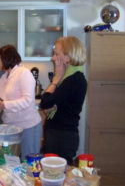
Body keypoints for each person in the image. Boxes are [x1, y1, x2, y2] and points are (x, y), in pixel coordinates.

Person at [39, 36, 87, 165]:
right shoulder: (67, 78)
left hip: (62, 138)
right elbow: (49, 104)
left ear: (68, 57)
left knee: (57, 177)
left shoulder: (74, 80)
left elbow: (45, 102)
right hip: (57, 134)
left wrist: (55, 79)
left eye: (56, 54)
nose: (53, 58)